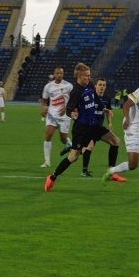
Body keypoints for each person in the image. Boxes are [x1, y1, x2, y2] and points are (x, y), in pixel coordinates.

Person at [44, 63, 108, 192]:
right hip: (81, 129)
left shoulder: (89, 85)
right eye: (86, 76)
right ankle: (52, 177)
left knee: (115, 141)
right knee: (73, 157)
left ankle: (113, 171)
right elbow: (68, 109)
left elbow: (95, 97)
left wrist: (103, 108)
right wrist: (72, 114)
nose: (89, 78)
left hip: (93, 125)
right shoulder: (76, 91)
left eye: (89, 75)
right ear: (79, 76)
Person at [80, 77, 126, 182]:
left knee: (115, 141)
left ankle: (110, 171)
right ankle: (85, 170)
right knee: (86, 148)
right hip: (88, 127)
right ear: (95, 86)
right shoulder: (89, 96)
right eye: (100, 85)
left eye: (104, 85)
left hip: (98, 127)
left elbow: (108, 111)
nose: (102, 87)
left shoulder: (107, 98)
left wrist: (110, 122)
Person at [39, 67, 73, 168]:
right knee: (48, 135)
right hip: (51, 115)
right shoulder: (48, 86)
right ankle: (47, 161)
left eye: (61, 73)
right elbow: (44, 100)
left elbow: (74, 99)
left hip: (64, 116)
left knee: (63, 139)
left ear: (63, 74)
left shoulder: (68, 86)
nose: (59, 75)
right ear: (54, 74)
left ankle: (68, 143)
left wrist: (66, 108)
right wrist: (44, 108)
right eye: (57, 73)